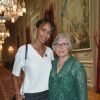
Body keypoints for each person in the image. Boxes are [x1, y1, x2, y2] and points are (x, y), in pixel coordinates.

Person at [12, 18, 56, 100]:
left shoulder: (49, 51)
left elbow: (53, 73)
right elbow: (15, 74)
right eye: (43, 30)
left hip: (48, 94)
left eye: (49, 33)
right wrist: (17, 94)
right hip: (30, 95)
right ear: (37, 29)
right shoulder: (23, 50)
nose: (45, 35)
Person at [49, 33, 88, 100]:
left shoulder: (77, 66)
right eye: (57, 44)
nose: (60, 47)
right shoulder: (52, 64)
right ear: (54, 47)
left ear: (69, 46)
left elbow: (83, 94)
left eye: (64, 44)